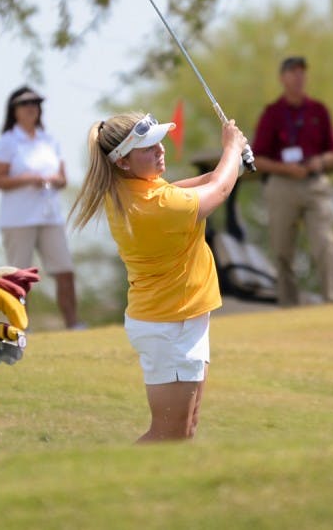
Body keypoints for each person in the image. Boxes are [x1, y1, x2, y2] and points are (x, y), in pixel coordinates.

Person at [70, 111, 247, 442]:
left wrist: (229, 164)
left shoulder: (133, 188)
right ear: (123, 161)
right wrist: (232, 149)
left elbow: (190, 188)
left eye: (159, 142)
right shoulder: (157, 206)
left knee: (185, 429)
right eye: (148, 147)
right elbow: (219, 191)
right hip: (170, 327)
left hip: (180, 320)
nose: (160, 149)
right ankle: (103, 486)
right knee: (168, 435)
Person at [0, 86, 84, 330]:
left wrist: (52, 180)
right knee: (19, 277)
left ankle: (72, 324)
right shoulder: (7, 142)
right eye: (26, 103)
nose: (32, 107)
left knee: (65, 270)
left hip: (50, 216)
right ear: (14, 110)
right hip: (18, 219)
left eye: (36, 103)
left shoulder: (49, 141)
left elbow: (63, 179)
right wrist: (28, 178)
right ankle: (21, 327)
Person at [251, 56, 333, 306]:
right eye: (293, 72)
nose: (298, 77)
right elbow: (257, 158)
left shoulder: (318, 111)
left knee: (325, 243)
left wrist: (320, 162)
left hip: (314, 184)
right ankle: (288, 306)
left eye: (302, 72)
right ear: (282, 78)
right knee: (282, 250)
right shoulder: (272, 113)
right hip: (282, 184)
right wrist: (286, 169)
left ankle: (332, 300)